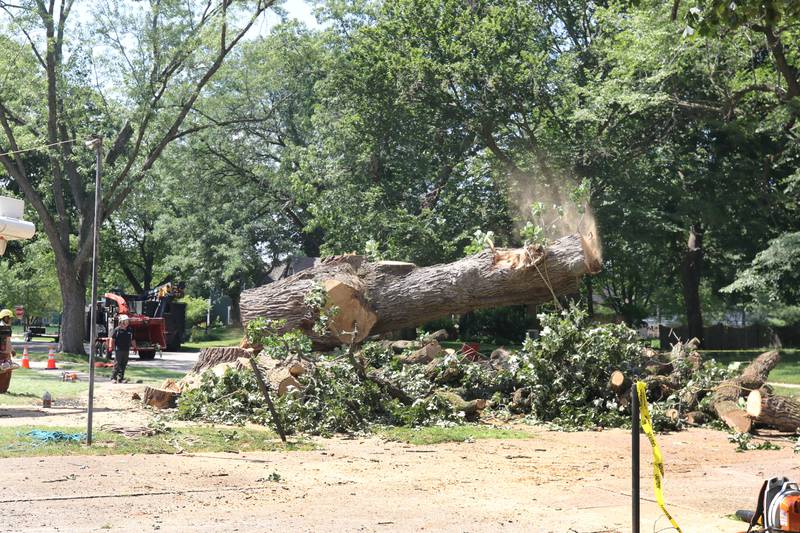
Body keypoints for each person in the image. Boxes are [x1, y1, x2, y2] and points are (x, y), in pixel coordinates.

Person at [110, 315, 135, 383]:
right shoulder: (117, 330)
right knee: (117, 363)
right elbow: (113, 339)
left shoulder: (130, 329)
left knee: (124, 364)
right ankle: (113, 378)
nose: (126, 323)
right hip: (119, 349)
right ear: (121, 322)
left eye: (127, 321)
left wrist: (135, 347)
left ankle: (121, 378)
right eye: (125, 321)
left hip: (126, 349)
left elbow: (132, 339)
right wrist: (111, 347)